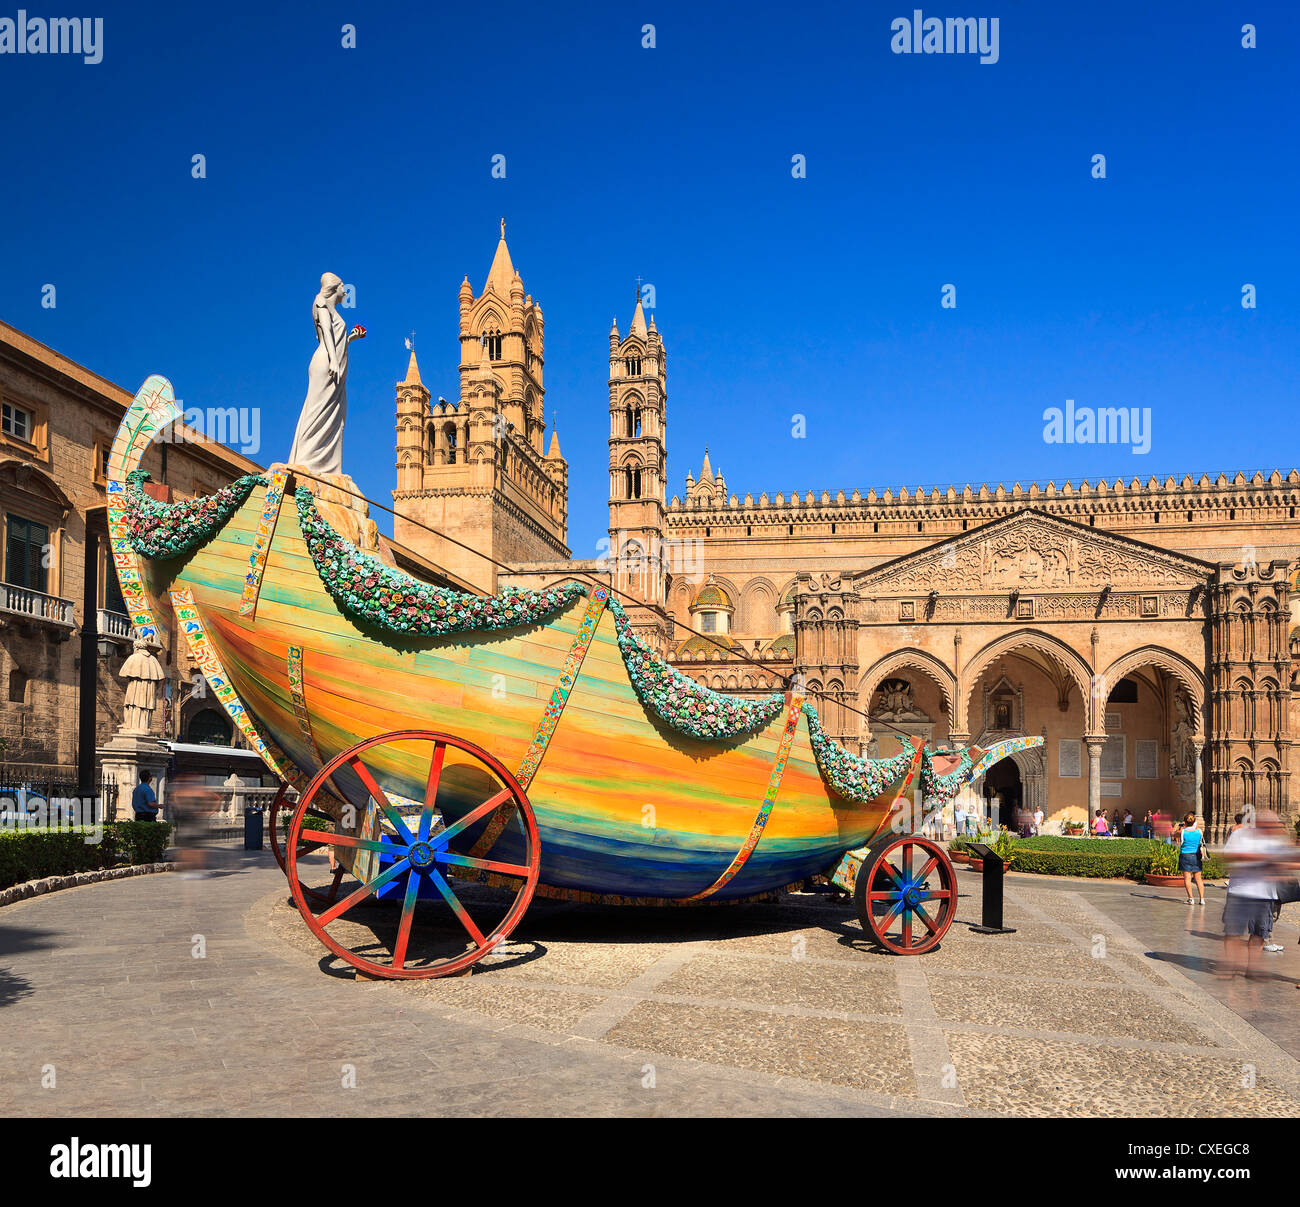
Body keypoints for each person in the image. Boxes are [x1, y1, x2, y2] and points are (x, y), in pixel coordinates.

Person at [287, 271, 367, 476]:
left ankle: (325, 465)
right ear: (335, 286)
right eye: (343, 286)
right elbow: (327, 334)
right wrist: (333, 359)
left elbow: (335, 336)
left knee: (335, 414)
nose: (345, 291)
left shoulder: (330, 307)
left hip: (333, 361)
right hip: (326, 363)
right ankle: (307, 460)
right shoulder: (321, 302)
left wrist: (349, 339)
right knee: (317, 410)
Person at [1220, 810, 1294, 979]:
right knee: (1233, 931)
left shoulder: (1275, 839)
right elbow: (1229, 860)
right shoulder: (1239, 835)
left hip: (1265, 894)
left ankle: (1251, 969)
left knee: (1260, 932)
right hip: (1239, 892)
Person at [1173, 811, 1205, 905]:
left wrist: (1176, 826)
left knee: (1187, 878)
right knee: (1198, 878)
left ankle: (1191, 899)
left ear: (1185, 822)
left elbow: (1173, 834)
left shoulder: (1182, 832)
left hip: (1185, 855)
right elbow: (1196, 829)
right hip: (1196, 855)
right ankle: (1202, 899)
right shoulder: (1199, 831)